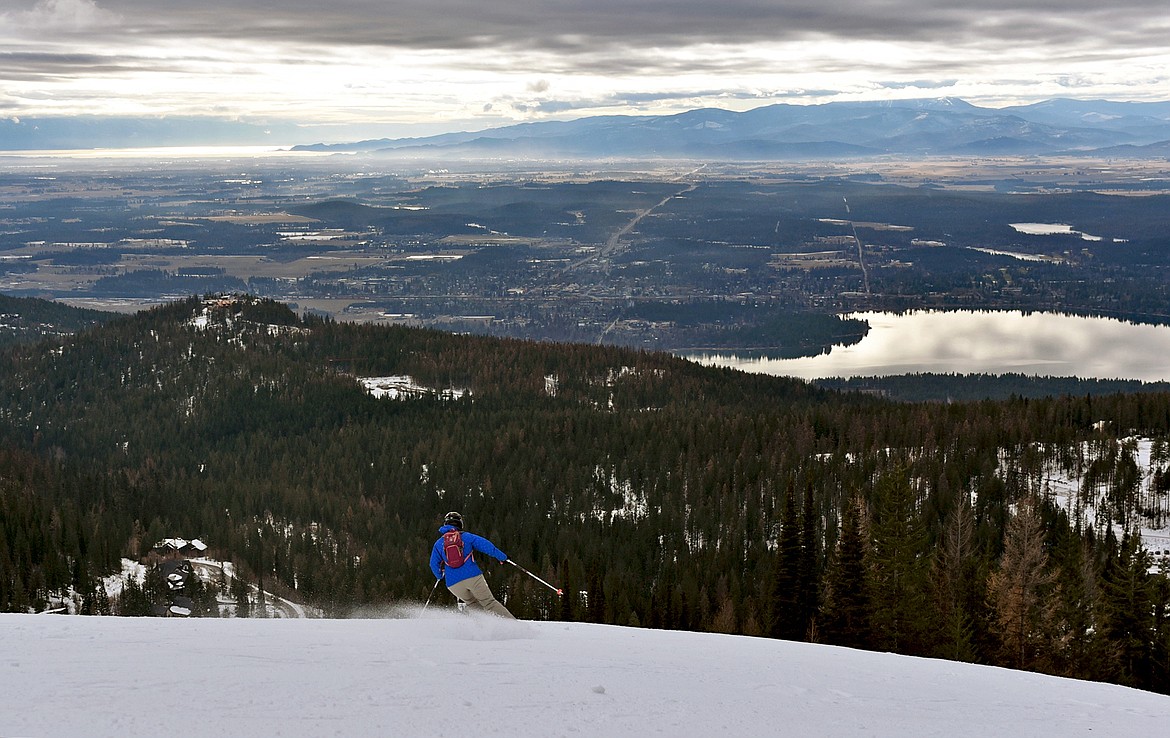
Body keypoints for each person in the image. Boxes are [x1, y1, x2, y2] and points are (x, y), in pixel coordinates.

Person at [429, 511, 515, 618]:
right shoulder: (467, 537)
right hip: (472, 577)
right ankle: (515, 627)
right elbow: (487, 546)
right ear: (460, 523)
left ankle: (483, 630)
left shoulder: (438, 544)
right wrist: (503, 557)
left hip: (453, 584)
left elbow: (433, 564)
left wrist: (439, 576)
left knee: (472, 604)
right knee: (489, 603)